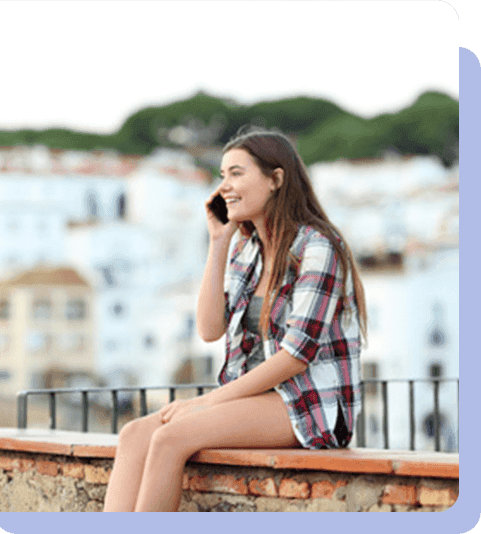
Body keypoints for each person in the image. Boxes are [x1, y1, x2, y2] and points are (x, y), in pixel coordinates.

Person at [103, 126, 367, 512]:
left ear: (276, 179)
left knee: (169, 438)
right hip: (256, 397)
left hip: (310, 404)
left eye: (236, 173)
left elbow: (296, 355)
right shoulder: (247, 249)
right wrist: (219, 242)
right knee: (134, 434)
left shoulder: (318, 247)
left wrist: (205, 404)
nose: (224, 185)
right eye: (222, 175)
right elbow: (210, 330)